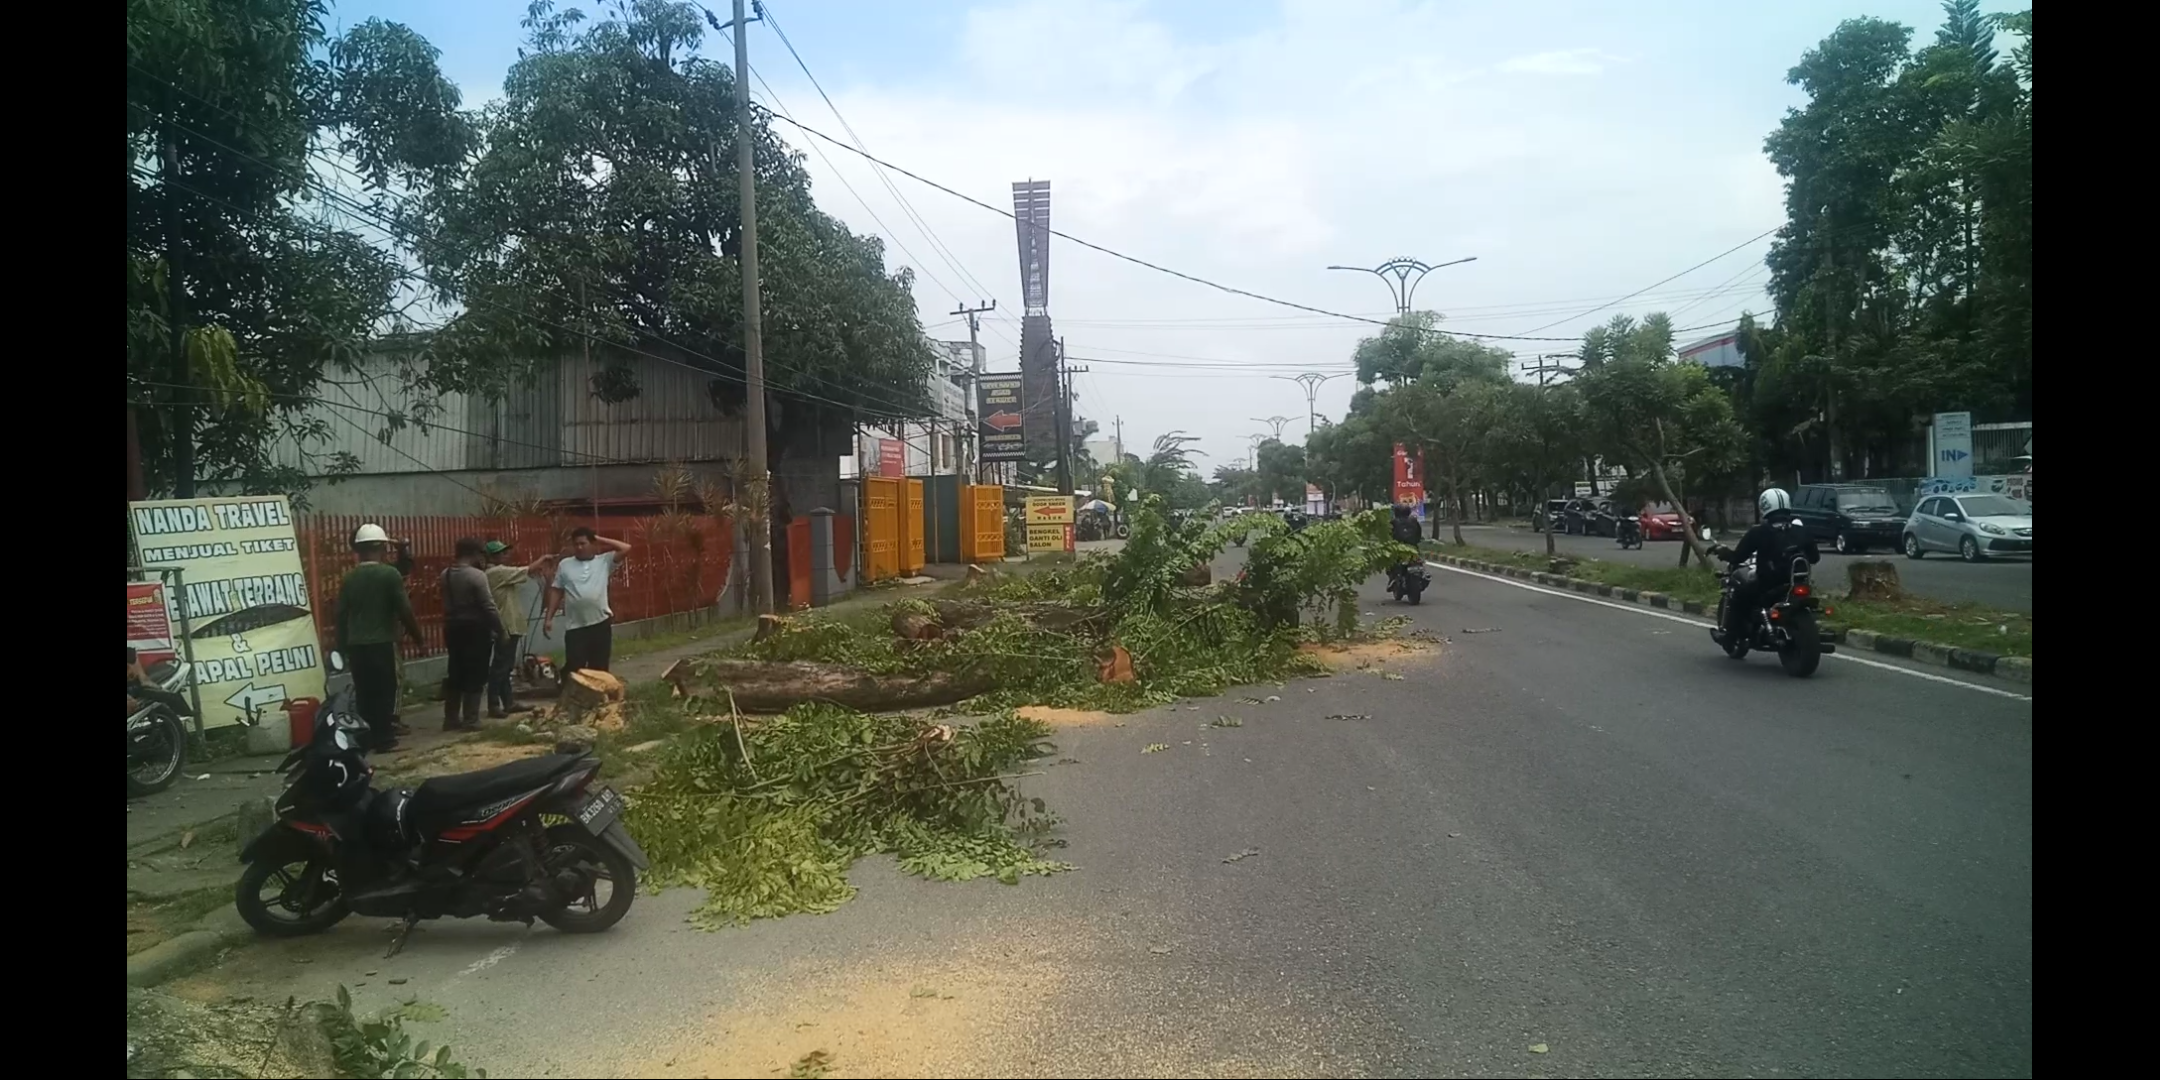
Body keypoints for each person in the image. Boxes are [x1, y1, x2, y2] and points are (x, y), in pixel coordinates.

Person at [336, 523, 423, 750]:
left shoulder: (350, 577)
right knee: (386, 689)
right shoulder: (389, 574)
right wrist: (418, 637)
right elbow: (405, 610)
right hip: (381, 642)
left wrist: (341, 645)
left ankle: (368, 737)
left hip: (356, 645)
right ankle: (385, 738)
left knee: (364, 691)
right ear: (381, 547)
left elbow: (341, 614)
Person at [1714, 488, 1820, 641]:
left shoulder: (1759, 532)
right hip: (1796, 583)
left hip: (1767, 585)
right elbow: (1815, 558)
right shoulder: (1802, 531)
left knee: (1739, 592)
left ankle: (1731, 635)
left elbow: (1737, 557)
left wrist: (1723, 552)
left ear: (1764, 506)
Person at [544, 527, 631, 681]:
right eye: (576, 544)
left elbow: (626, 548)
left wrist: (598, 538)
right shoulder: (565, 565)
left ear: (592, 544)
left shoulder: (604, 561)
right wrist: (549, 618)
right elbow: (557, 591)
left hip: (600, 622)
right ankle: (570, 694)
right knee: (575, 665)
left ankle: (598, 698)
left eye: (583, 543)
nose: (579, 547)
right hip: (575, 626)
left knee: (599, 666)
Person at [440, 537, 506, 732]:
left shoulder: (446, 574)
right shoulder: (476, 576)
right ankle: (471, 718)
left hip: (452, 626)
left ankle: (450, 718)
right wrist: (500, 629)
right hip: (475, 627)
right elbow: (488, 606)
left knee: (456, 670)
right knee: (476, 671)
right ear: (473, 554)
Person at [481, 540, 553, 718]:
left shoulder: (497, 572)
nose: (506, 555)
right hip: (505, 626)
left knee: (505, 666)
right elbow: (528, 570)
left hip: (509, 625)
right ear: (492, 556)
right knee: (500, 667)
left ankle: (508, 702)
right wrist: (544, 558)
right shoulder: (496, 572)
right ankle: (494, 704)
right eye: (501, 553)